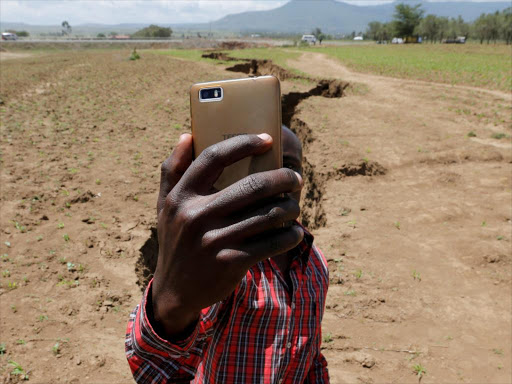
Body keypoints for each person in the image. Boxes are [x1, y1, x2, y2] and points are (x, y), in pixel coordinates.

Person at [125, 126, 330, 383]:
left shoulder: (314, 262)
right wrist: (170, 307)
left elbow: (309, 357)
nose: (275, 179)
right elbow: (159, 366)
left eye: (288, 167)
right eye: (255, 168)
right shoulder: (222, 263)